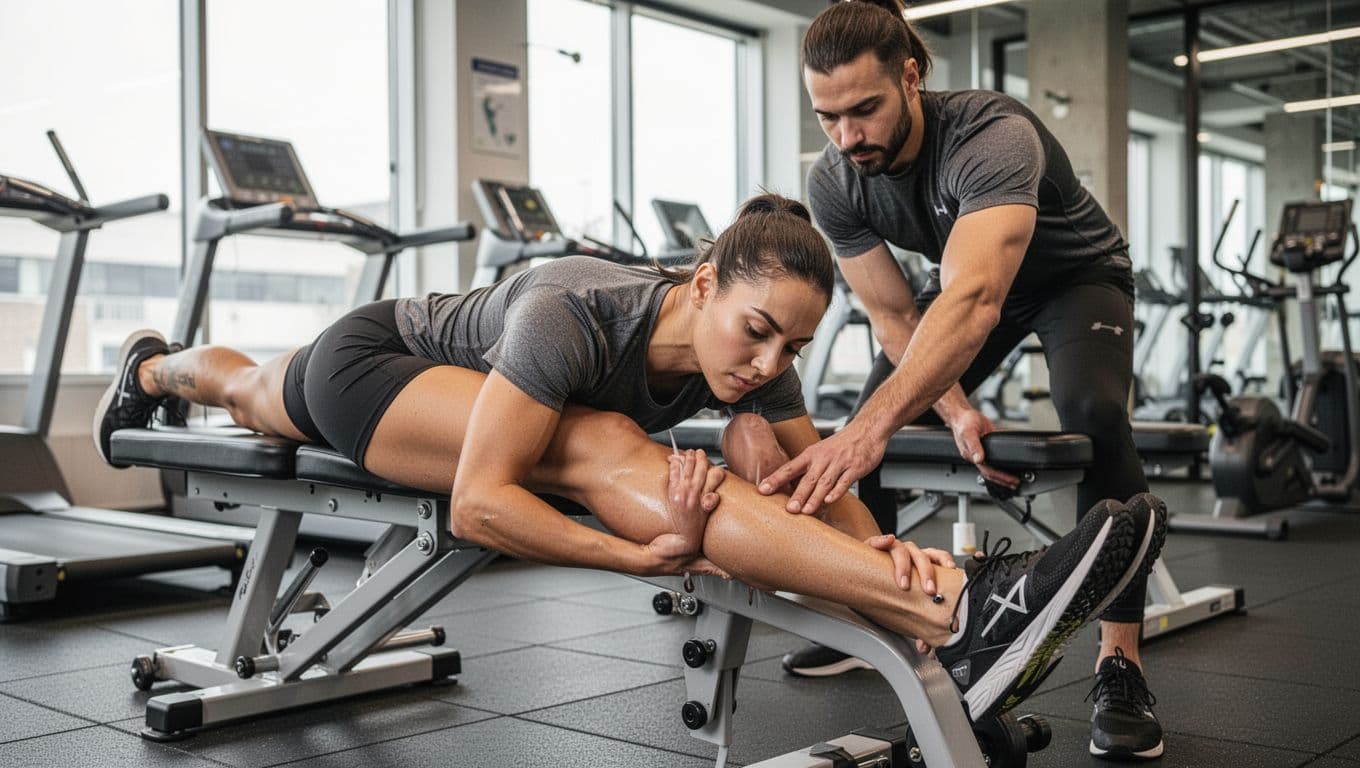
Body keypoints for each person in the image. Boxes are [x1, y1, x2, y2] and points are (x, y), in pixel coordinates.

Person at [94, 193, 1156, 725]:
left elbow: (816, 479)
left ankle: (146, 373)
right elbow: (480, 505)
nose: (770, 361)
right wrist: (637, 559)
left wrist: (887, 549)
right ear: (701, 285)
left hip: (350, 360)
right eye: (755, 332)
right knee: (609, 446)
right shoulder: (572, 315)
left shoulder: (754, 362)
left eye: (792, 343)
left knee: (239, 387)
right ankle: (962, 619)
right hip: (374, 364)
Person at [761, 1, 1165, 760]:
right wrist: (949, 411)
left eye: (865, 110)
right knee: (870, 417)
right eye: (827, 117)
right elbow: (891, 317)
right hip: (964, 297)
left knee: (1094, 413)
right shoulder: (836, 182)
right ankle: (878, 614)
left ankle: (1120, 664)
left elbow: (976, 298)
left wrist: (872, 430)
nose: (847, 137)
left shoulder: (990, 134)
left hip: (1075, 279)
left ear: (911, 77)